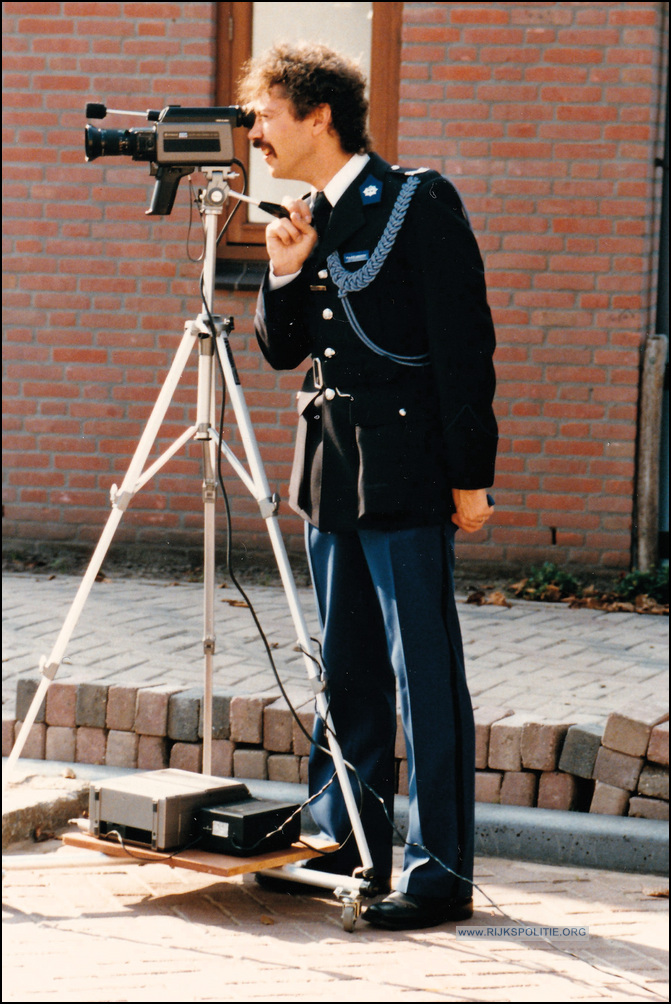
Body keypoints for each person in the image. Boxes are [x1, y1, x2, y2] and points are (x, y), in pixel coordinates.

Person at [239, 42, 497, 931]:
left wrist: (471, 477)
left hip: (406, 468)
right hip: (330, 473)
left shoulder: (415, 200)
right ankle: (344, 838)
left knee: (420, 672)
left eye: (267, 115)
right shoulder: (305, 214)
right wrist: (281, 267)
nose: (255, 133)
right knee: (344, 668)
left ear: (319, 115)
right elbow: (282, 353)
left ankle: (437, 873)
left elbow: (464, 348)